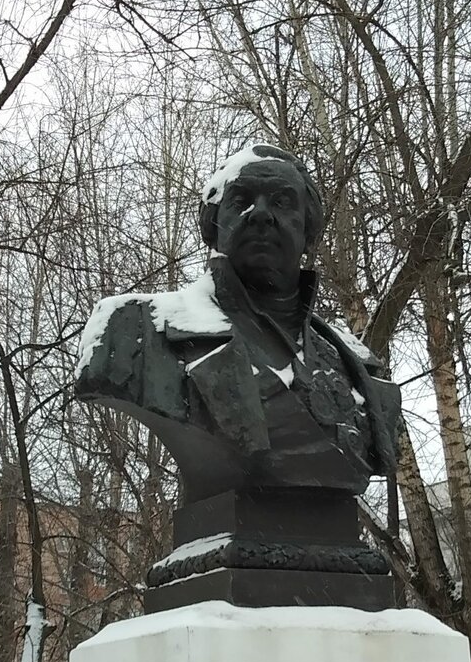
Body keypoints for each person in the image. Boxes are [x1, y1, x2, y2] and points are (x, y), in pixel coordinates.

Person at [76, 143, 400, 504]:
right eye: (241, 200)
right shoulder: (133, 330)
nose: (260, 214)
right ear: (212, 226)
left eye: (282, 202)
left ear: (309, 231)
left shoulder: (359, 368)